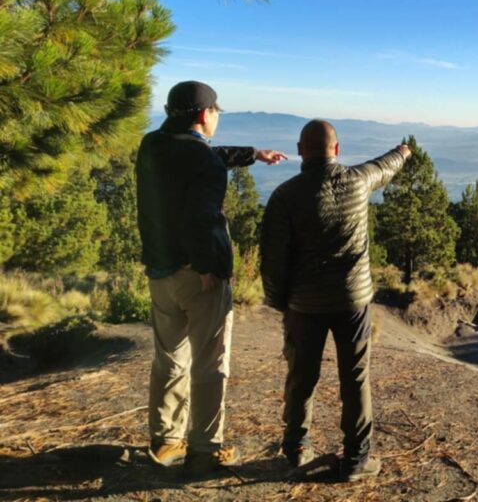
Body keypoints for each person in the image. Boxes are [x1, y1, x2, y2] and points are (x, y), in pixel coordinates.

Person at [136, 80, 287, 475]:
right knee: (209, 362)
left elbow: (204, 157)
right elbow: (201, 213)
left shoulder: (152, 145)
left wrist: (253, 154)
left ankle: (166, 440)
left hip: (160, 272)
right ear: (205, 114)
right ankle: (204, 450)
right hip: (198, 277)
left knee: (169, 358)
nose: (217, 116)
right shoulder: (199, 159)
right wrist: (207, 265)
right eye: (217, 111)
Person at [260, 119, 410, 481]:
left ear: (299, 151)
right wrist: (404, 152)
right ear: (338, 150)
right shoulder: (357, 182)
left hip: (304, 304)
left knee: (301, 376)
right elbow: (385, 165)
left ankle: (296, 447)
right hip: (352, 301)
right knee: (356, 378)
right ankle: (357, 459)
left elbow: (272, 258)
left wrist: (279, 301)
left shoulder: (285, 196)